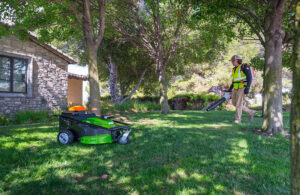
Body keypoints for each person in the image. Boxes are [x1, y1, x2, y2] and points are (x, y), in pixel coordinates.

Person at [226, 55, 255, 123]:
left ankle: (238, 119)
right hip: (236, 87)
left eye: (233, 61)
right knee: (234, 103)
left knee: (238, 104)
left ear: (237, 60)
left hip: (242, 87)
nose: (232, 62)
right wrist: (230, 88)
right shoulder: (234, 69)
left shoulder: (244, 66)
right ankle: (251, 112)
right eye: (232, 61)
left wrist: (247, 87)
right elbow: (234, 80)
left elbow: (249, 77)